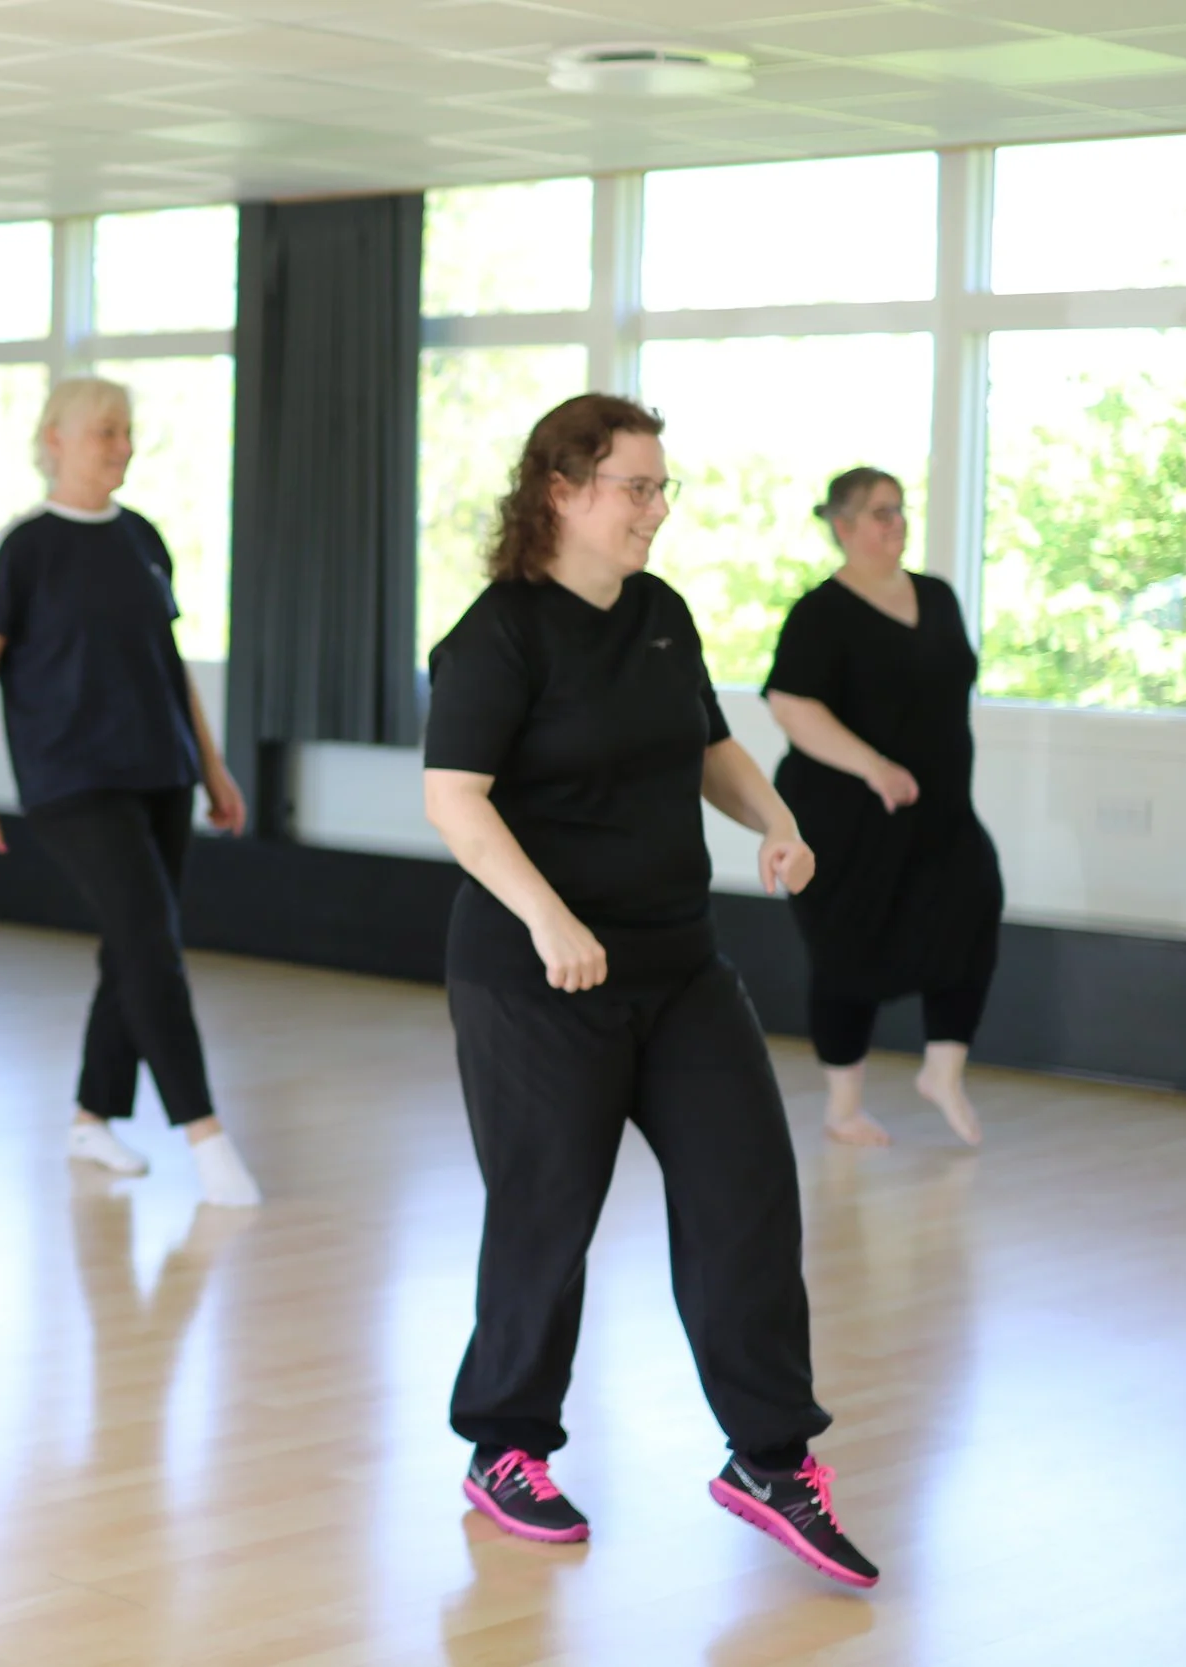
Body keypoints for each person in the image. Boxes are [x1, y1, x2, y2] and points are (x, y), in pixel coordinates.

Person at [421, 393, 876, 1588]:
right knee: (546, 1209)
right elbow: (454, 798)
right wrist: (548, 914)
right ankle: (505, 1444)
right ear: (562, 492)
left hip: (675, 962)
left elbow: (707, 744)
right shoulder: (498, 634)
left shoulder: (661, 615)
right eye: (637, 485)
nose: (656, 508)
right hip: (536, 973)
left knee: (744, 1191)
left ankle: (770, 1457)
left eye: (661, 486)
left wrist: (775, 818)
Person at [0, 376, 261, 1209]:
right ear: (54, 437)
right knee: (151, 941)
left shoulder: (144, 538)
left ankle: (91, 1117)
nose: (121, 447)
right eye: (105, 432)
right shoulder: (18, 547)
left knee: (134, 944)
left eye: (127, 432)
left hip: (162, 773)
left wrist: (214, 766)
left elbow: (171, 666)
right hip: (71, 782)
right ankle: (206, 1135)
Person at [764, 468, 1000, 1148]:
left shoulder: (937, 596)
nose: (896, 523)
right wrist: (873, 767)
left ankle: (943, 1071)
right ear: (843, 526)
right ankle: (844, 1107)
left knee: (974, 908)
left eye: (900, 510)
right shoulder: (820, 612)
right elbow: (790, 704)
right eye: (880, 512)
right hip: (846, 816)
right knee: (849, 949)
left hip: (941, 813)